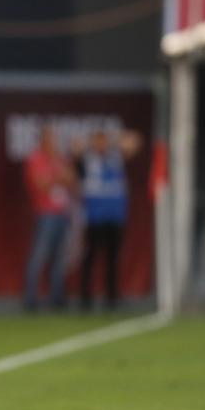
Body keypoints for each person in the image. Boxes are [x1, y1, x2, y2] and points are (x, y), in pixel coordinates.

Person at [72, 129, 140, 310]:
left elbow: (134, 142)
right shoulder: (87, 160)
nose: (100, 145)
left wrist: (117, 142)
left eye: (103, 141)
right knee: (90, 258)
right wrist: (82, 149)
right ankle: (86, 299)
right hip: (94, 217)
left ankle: (112, 298)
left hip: (115, 216)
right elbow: (76, 157)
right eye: (97, 141)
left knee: (112, 259)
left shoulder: (115, 157)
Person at [23, 125, 76, 311]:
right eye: (51, 138)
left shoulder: (60, 158)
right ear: (43, 140)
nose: (54, 142)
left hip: (62, 212)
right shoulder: (36, 159)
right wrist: (57, 176)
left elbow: (71, 180)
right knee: (39, 256)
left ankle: (57, 299)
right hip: (45, 213)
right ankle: (31, 299)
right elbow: (41, 184)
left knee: (60, 258)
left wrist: (58, 173)